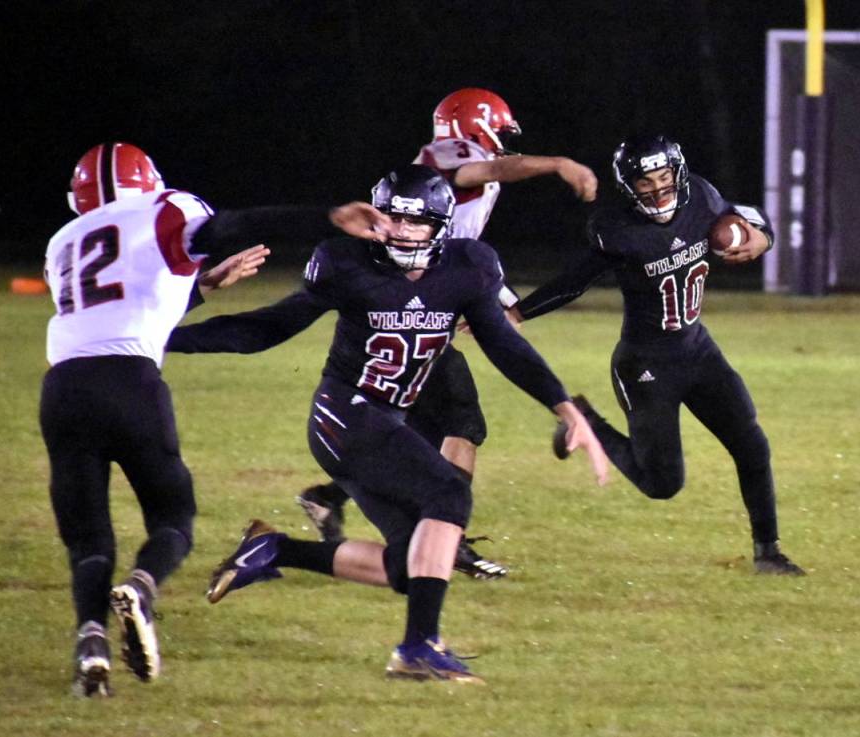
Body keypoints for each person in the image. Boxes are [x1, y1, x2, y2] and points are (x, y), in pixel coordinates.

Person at [166, 165, 608, 683]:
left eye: (416, 222)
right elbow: (267, 328)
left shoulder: (467, 267)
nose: (402, 231)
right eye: (393, 219)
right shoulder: (345, 262)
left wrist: (564, 408)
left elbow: (504, 344)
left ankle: (274, 549)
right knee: (449, 493)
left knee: (409, 567)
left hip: (387, 418)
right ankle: (418, 648)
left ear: (441, 226)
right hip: (344, 415)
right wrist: (162, 339)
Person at [41, 141, 389, 697]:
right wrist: (325, 216)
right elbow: (233, 225)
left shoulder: (64, 241)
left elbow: (119, 304)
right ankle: (142, 588)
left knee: (88, 535)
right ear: (147, 182)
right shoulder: (164, 209)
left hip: (62, 389)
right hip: (130, 381)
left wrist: (200, 285)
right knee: (173, 517)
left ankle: (91, 642)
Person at [297, 88, 599, 579]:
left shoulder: (447, 188)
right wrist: (558, 164)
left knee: (421, 428)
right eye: (498, 131)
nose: (502, 143)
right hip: (411, 312)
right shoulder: (450, 156)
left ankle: (332, 497)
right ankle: (446, 537)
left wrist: (500, 305)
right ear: (472, 126)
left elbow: (460, 247)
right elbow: (486, 170)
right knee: (462, 422)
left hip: (422, 305)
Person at [512, 135, 805, 576]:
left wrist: (764, 238)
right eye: (645, 182)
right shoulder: (617, 228)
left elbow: (748, 216)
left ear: (678, 173)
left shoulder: (700, 196)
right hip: (645, 364)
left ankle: (768, 553)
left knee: (751, 444)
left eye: (664, 176)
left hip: (697, 350)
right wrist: (518, 312)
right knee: (662, 484)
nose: (657, 188)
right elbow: (574, 281)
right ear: (628, 186)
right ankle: (586, 420)